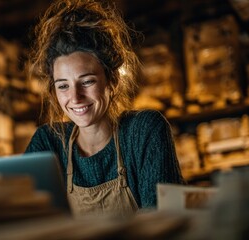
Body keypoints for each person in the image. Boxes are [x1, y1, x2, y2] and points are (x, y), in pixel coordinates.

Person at [25, 0, 184, 217]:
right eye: (63, 85)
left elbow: (165, 222)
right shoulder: (48, 143)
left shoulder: (143, 131)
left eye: (87, 81)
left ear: (112, 81)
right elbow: (28, 222)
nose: (75, 97)